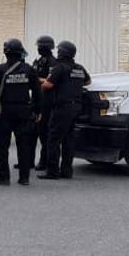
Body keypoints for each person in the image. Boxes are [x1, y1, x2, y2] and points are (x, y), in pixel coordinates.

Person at [0, 39, 42, 186]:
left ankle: (4, 177)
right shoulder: (29, 70)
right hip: (23, 112)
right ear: (21, 52)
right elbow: (37, 92)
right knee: (24, 145)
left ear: (6, 52)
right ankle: (24, 178)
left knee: (2, 146)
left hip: (4, 113)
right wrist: (37, 110)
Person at [40, 40, 90, 180]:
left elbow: (47, 86)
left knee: (53, 139)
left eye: (59, 50)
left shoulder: (60, 67)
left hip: (62, 108)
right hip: (76, 108)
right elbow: (88, 81)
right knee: (68, 140)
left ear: (62, 52)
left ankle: (52, 171)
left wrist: (40, 81)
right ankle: (67, 171)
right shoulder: (79, 68)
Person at [32, 35, 57, 172]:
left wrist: (36, 79)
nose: (39, 49)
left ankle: (44, 161)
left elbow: (50, 81)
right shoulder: (39, 60)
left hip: (47, 101)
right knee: (33, 133)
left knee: (44, 133)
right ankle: (30, 161)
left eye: (41, 47)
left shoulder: (52, 62)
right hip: (36, 99)